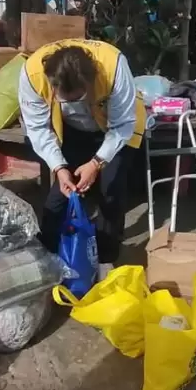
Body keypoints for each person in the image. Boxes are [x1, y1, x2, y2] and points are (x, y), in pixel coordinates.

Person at [18, 39, 146, 271]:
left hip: (115, 127)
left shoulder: (113, 66)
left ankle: (107, 260)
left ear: (90, 81)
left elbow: (123, 125)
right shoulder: (32, 74)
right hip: (74, 131)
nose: (71, 104)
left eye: (77, 99)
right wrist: (59, 167)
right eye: (63, 99)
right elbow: (37, 128)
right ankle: (48, 258)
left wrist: (96, 163)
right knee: (61, 195)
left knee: (110, 188)